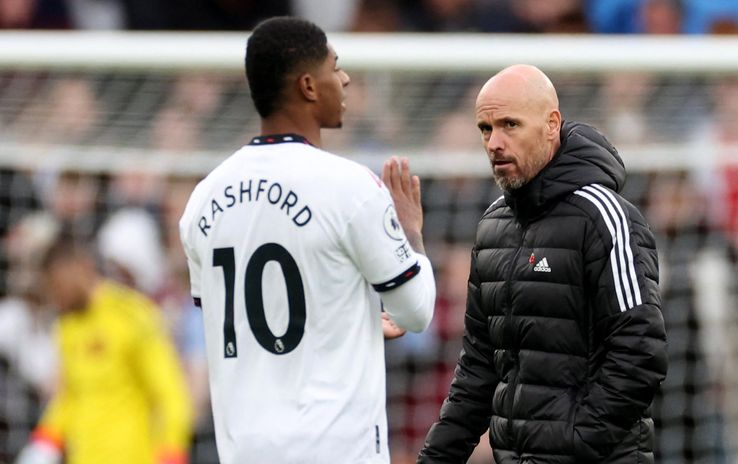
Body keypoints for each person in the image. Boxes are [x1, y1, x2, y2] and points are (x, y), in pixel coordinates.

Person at [178, 16, 436, 464]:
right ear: (309, 86)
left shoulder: (203, 199)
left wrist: (349, 322)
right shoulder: (351, 187)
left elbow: (239, 319)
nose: (345, 78)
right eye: (334, 67)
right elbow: (415, 311)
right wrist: (411, 232)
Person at [417, 65, 667, 463]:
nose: (494, 143)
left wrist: (572, 445)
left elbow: (640, 352)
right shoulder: (493, 226)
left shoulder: (604, 217)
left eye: (510, 125)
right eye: (485, 129)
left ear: (552, 124)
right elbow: (479, 368)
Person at [15, 237, 192, 464]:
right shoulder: (67, 326)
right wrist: (43, 444)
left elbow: (170, 393)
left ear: (80, 268)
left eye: (57, 286)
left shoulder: (130, 315)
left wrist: (172, 454)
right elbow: (70, 396)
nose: (55, 298)